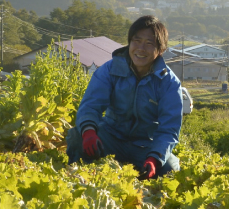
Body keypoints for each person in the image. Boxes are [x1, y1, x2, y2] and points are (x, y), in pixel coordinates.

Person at [66, 15, 183, 179]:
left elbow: (169, 129)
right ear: (129, 43)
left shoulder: (169, 83)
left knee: (170, 170)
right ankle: (78, 180)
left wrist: (154, 158)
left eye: (149, 43)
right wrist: (89, 132)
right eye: (136, 41)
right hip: (110, 138)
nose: (141, 48)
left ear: (161, 50)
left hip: (145, 145)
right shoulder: (109, 70)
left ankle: (145, 175)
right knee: (76, 136)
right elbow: (91, 106)